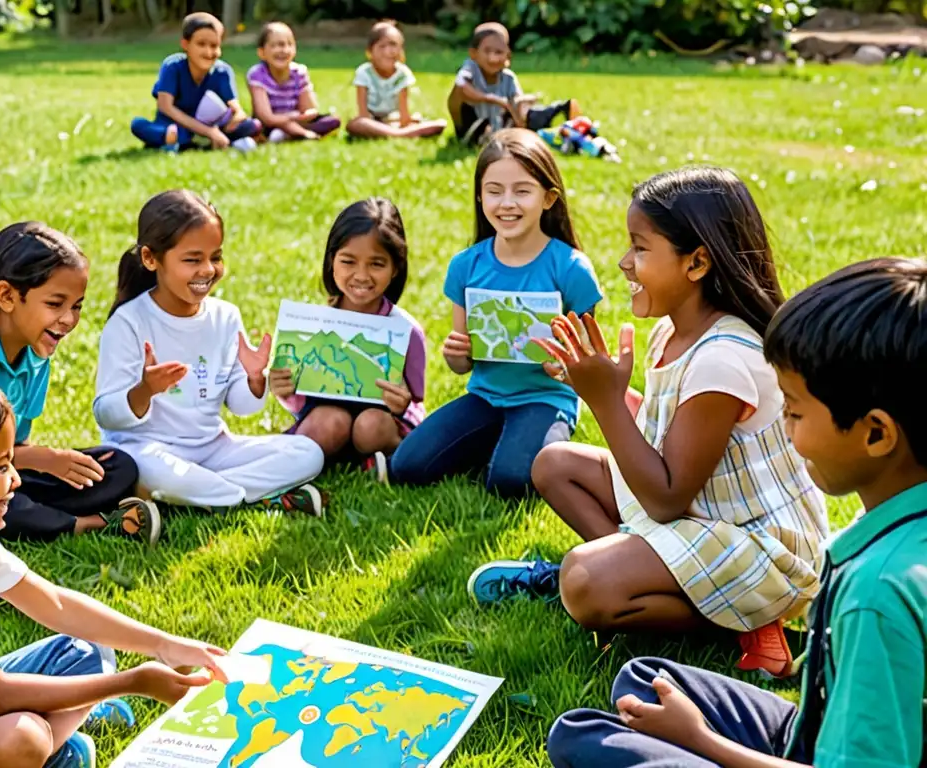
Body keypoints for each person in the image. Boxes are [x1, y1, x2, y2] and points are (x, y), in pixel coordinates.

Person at [546, 257, 927, 768]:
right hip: (822, 722)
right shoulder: (895, 534)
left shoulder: (875, 596)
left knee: (582, 738)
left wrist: (702, 740)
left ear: (876, 433)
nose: (785, 431)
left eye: (793, 412)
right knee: (645, 679)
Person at [468, 167, 829, 678]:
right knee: (553, 464)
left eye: (639, 248)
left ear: (697, 262)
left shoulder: (721, 359)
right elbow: (668, 432)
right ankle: (659, 582)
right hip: (703, 512)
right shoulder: (672, 331)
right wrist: (596, 389)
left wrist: (607, 403)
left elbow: (665, 498)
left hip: (759, 547)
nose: (624, 262)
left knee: (582, 580)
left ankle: (740, 618)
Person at [0, 366, 226, 768]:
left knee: (85, 649)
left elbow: (53, 603)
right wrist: (132, 682)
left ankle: (54, 739)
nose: (17, 480)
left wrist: (162, 644)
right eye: (2, 467)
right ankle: (53, 750)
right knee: (20, 739)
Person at [0, 222, 157, 545]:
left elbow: (11, 453)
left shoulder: (37, 353)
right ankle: (90, 524)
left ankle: (42, 513)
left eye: (76, 306)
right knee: (0, 501)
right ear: (7, 296)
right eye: (55, 304)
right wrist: (43, 459)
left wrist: (50, 462)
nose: (68, 319)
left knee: (116, 466)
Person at [389, 128, 602, 498]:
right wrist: (457, 354)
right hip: (486, 397)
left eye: (522, 191)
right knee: (406, 467)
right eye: (494, 191)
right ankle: (497, 441)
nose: (507, 203)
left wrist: (567, 368)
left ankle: (521, 444)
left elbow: (589, 362)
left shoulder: (571, 269)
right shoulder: (466, 266)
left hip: (545, 397)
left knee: (510, 482)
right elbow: (463, 365)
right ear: (479, 196)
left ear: (549, 198)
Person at [94, 189, 326, 516]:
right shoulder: (129, 322)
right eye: (192, 259)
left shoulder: (225, 316)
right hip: (147, 450)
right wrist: (145, 390)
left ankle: (205, 493)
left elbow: (240, 405)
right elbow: (105, 412)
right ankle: (245, 494)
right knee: (155, 472)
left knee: (308, 452)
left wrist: (255, 379)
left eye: (215, 257)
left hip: (214, 449)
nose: (208, 269)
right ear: (150, 258)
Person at [269, 198, 427, 481]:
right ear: (332, 262)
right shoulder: (312, 325)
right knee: (329, 423)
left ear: (395, 268)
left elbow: (416, 405)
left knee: (369, 427)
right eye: (348, 261)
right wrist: (284, 391)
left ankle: (389, 456)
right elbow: (299, 403)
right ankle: (301, 461)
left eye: (377, 264)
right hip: (327, 419)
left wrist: (401, 405)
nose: (361, 276)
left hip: (379, 423)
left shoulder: (405, 330)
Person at [130, 12, 262, 154]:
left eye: (214, 45)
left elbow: (237, 109)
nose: (208, 51)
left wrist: (235, 119)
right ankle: (178, 139)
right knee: (138, 124)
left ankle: (186, 143)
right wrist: (208, 132)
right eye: (201, 44)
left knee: (252, 125)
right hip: (175, 125)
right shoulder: (172, 66)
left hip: (213, 126)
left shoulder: (223, 71)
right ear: (185, 44)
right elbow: (165, 106)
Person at [447, 22, 578, 147]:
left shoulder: (508, 77)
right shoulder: (470, 70)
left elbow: (515, 103)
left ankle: (562, 116)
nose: (493, 58)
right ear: (473, 53)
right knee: (487, 127)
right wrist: (495, 100)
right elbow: (462, 86)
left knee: (527, 114)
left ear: (508, 56)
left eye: (499, 52)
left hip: (501, 123)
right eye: (487, 51)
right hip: (475, 126)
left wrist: (521, 106)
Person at [345, 20, 446, 140]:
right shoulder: (363, 73)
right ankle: (401, 134)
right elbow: (363, 114)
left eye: (393, 44)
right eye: (382, 46)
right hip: (371, 121)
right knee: (356, 124)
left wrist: (405, 121)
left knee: (440, 124)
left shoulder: (403, 74)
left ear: (401, 50)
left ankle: (396, 133)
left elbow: (404, 115)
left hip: (392, 119)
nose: (388, 51)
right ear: (370, 52)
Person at [246, 21, 341, 142]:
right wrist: (288, 118)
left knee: (333, 120)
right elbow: (266, 117)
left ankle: (290, 134)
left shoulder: (299, 72)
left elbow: (310, 110)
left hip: (297, 120)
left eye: (289, 44)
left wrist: (298, 117)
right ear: (262, 52)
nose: (283, 50)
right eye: (276, 45)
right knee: (256, 127)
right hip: (269, 125)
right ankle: (303, 134)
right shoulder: (257, 74)